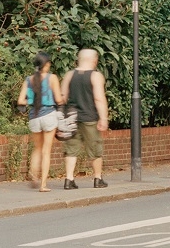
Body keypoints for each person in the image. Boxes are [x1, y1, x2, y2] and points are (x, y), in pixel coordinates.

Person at [60, 48, 109, 189]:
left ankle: (69, 179)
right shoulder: (95, 76)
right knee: (95, 148)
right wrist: (103, 118)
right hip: (89, 117)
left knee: (71, 148)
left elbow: (63, 97)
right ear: (95, 60)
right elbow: (99, 99)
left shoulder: (69, 75)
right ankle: (97, 178)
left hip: (71, 117)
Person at [17, 51, 65, 192]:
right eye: (49, 62)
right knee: (46, 151)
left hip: (34, 116)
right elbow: (58, 99)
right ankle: (43, 185)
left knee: (37, 149)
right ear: (46, 64)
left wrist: (32, 100)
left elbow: (20, 101)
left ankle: (34, 176)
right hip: (49, 114)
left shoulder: (28, 80)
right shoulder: (52, 78)